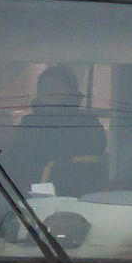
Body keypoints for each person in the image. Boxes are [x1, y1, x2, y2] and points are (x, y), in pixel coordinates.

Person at [9, 66, 106, 196]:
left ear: (70, 92)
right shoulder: (29, 122)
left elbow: (95, 158)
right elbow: (16, 159)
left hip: (77, 193)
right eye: (45, 89)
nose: (49, 94)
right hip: (31, 194)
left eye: (56, 89)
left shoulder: (87, 122)